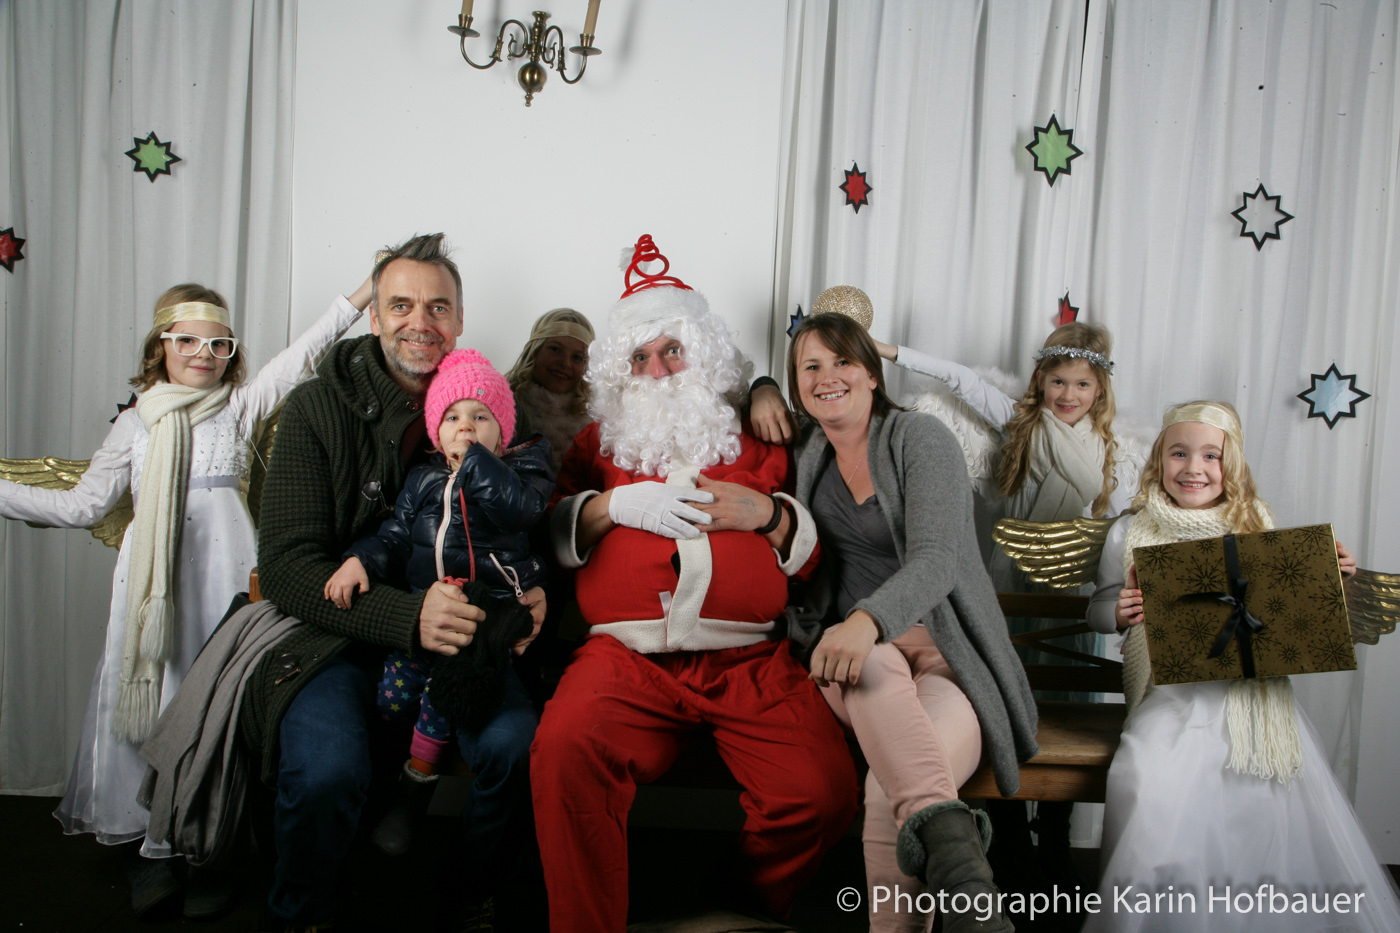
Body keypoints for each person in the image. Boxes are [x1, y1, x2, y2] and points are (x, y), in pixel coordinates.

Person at [0, 281, 364, 917]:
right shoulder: (135, 422)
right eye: (188, 341)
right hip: (153, 593)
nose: (204, 354)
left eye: (219, 344)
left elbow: (308, 351)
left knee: (218, 707)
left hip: (227, 583)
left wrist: (367, 290)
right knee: (152, 701)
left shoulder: (242, 406)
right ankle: (150, 851)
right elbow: (83, 505)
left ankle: (208, 848)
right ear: (160, 347)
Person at [530, 234, 859, 933]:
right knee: (563, 754)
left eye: (672, 350)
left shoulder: (758, 439)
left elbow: (812, 559)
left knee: (822, 790)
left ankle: (735, 908)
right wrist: (611, 506)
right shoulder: (598, 444)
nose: (657, 370)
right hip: (624, 661)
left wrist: (769, 515)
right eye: (640, 357)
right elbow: (550, 538)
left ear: (703, 355)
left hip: (750, 662)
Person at [243, 234, 542, 931]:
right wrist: (407, 618)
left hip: (469, 636)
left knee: (514, 744)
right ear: (374, 316)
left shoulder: (493, 407)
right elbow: (286, 566)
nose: (420, 321)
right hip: (337, 637)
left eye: (438, 306)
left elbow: (535, 511)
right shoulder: (317, 407)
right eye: (401, 305)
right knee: (326, 770)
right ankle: (305, 912)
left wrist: (537, 585)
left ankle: (469, 888)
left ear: (459, 319)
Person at [1082, 400, 1400, 933]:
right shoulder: (1129, 531)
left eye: (1211, 455)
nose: (1194, 468)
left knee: (1256, 799)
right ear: (1159, 460)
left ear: (1231, 466)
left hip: (1247, 701)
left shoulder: (1254, 525)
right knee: (1149, 780)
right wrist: (1116, 612)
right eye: (1179, 453)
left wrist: (1335, 577)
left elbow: (1292, 613)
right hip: (1169, 697)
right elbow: (1097, 608)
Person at [784, 312, 1037, 933]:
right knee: (871, 669)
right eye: (810, 366)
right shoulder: (807, 452)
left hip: (949, 651)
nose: (827, 377)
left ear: (872, 374)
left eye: (843, 361)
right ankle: (972, 895)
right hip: (860, 653)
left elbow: (938, 558)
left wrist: (868, 619)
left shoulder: (920, 437)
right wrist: (763, 390)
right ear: (797, 386)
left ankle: (950, 894)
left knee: (888, 789)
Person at [324, 347, 552, 856]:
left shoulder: (522, 471)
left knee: (443, 708)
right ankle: (383, 790)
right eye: (452, 417)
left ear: (504, 431)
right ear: (434, 432)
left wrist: (477, 463)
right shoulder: (423, 478)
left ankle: (416, 796)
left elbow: (519, 512)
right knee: (391, 700)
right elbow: (396, 535)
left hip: (483, 628)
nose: (465, 426)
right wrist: (361, 559)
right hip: (420, 616)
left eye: (480, 416)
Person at [504, 307, 595, 470]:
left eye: (577, 357)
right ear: (535, 350)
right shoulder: (505, 406)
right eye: (555, 349)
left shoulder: (595, 422)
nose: (565, 363)